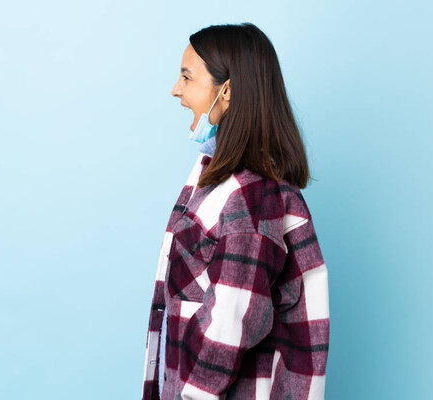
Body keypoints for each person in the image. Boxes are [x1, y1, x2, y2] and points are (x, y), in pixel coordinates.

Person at [141, 22, 330, 400]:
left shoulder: (251, 195)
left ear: (225, 91)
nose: (176, 90)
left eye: (187, 77)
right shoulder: (216, 179)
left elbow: (231, 317)